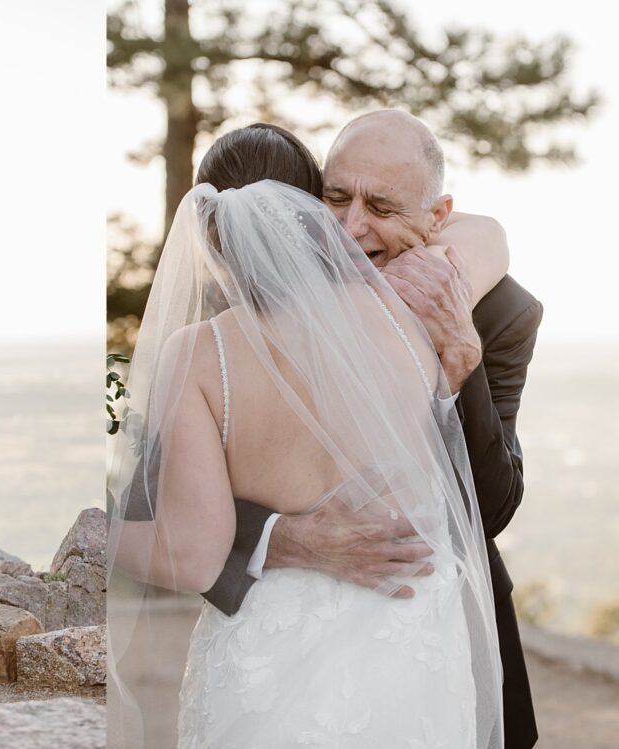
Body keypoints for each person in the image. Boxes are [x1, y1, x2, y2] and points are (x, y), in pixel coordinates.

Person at [105, 121, 517, 747]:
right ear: (311, 210)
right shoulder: (410, 307)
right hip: (410, 640)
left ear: (208, 233)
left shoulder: (196, 353)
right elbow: (487, 236)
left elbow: (193, 553)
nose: (353, 227)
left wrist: (104, 532)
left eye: (379, 209)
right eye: (337, 201)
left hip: (268, 653)